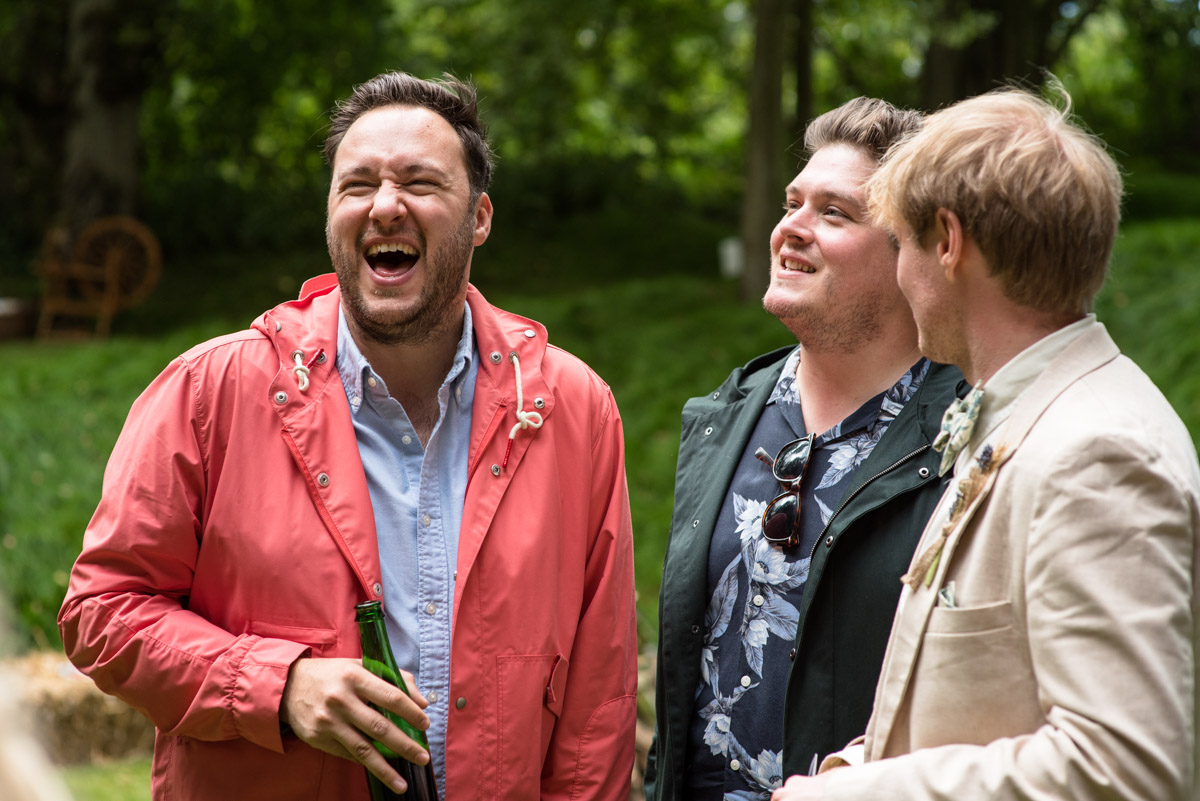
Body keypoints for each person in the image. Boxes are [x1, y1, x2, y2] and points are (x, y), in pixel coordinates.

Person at [58, 71, 638, 801]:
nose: (385, 205)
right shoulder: (209, 390)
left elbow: (598, 697)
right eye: (357, 185)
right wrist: (278, 685)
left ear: (480, 218)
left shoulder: (573, 407)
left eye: (420, 182)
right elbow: (103, 611)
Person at [773, 88, 1199, 801]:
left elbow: (1127, 769)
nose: (901, 273)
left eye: (903, 243)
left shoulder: (1097, 455)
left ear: (947, 242)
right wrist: (855, 769)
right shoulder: (1028, 409)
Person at [643, 97, 964, 800]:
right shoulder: (724, 416)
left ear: (910, 251)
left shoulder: (967, 441)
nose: (791, 227)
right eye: (793, 204)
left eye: (835, 213)